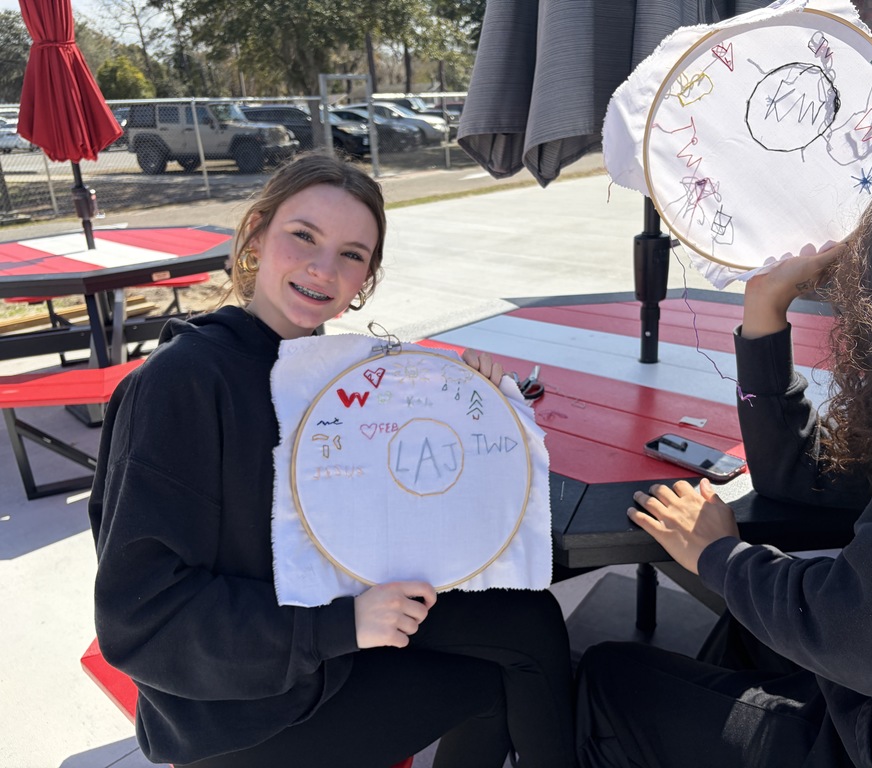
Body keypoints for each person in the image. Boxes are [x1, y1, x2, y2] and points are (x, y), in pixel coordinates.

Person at [575, 91, 872, 767]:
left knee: (605, 676)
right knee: (750, 624)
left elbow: (869, 639)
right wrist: (764, 312)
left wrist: (719, 557)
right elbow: (802, 483)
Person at [88, 152, 575, 768]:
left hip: (323, 646)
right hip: (240, 714)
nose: (324, 267)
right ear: (256, 235)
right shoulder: (182, 382)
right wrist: (340, 628)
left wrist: (473, 406)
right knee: (499, 680)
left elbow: (392, 515)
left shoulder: (329, 379)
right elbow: (143, 620)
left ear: (365, 280)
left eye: (352, 254)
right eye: (303, 236)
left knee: (528, 617)